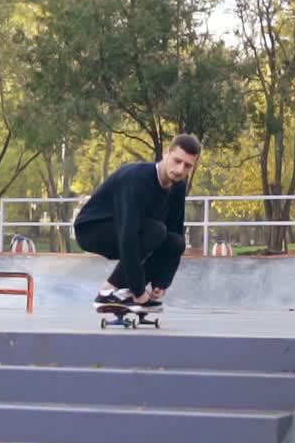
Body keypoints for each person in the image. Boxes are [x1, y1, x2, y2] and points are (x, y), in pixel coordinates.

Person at [73, 134, 201, 314]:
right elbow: (128, 237)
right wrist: (140, 292)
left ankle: (123, 292)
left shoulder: (178, 187)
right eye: (177, 161)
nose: (180, 170)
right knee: (156, 231)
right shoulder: (136, 179)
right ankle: (108, 291)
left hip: (131, 230)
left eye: (187, 165)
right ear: (166, 153)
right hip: (93, 229)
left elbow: (176, 234)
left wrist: (162, 279)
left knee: (173, 240)